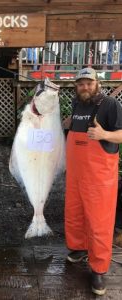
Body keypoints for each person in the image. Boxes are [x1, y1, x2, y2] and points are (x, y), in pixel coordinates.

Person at [64, 67, 122, 296]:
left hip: (100, 180)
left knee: (99, 225)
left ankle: (98, 269)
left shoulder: (109, 105)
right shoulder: (78, 104)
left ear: (97, 83)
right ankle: (79, 248)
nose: (85, 87)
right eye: (81, 83)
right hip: (76, 176)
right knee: (75, 215)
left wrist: (104, 135)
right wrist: (69, 122)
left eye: (89, 83)